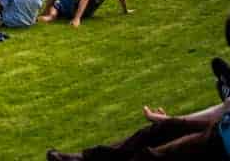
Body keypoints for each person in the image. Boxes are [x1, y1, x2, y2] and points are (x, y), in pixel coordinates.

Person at [46, 15, 230, 160]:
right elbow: (223, 109)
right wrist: (172, 120)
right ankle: (85, 158)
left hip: (222, 142)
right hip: (221, 130)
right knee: (161, 129)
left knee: (154, 155)